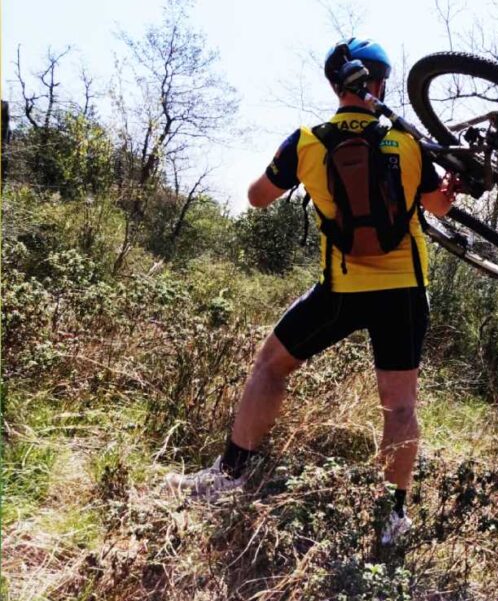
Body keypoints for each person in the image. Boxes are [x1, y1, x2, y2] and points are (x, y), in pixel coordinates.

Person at [165, 38, 456, 545]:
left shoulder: (306, 142)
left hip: (341, 288)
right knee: (400, 405)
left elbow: (257, 198)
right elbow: (440, 209)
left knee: (271, 366)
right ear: (381, 83)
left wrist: (298, 175)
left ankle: (229, 476)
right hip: (403, 292)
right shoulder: (406, 143)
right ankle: (392, 519)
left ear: (333, 84)